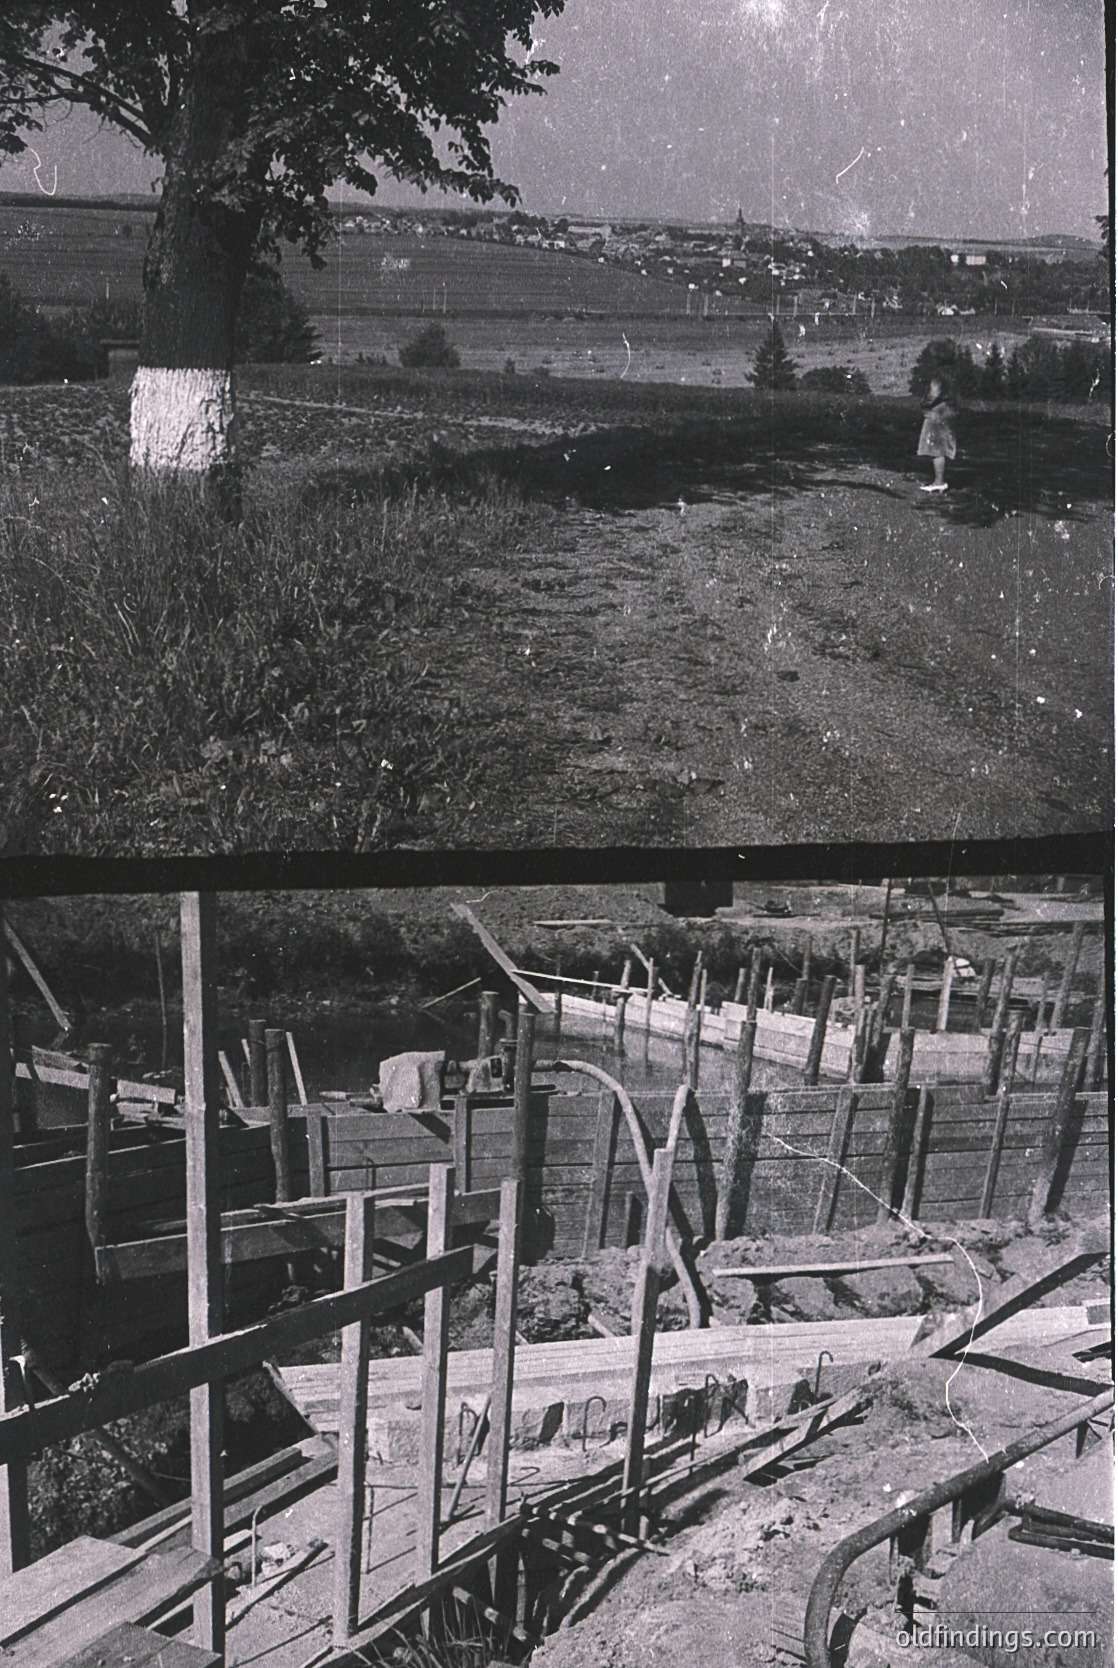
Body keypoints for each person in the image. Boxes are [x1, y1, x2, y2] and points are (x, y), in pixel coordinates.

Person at [917, 373, 957, 491]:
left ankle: (939, 481)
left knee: (936, 447)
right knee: (943, 445)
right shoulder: (953, 370)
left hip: (937, 412)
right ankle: (941, 479)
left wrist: (924, 403)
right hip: (949, 410)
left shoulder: (939, 372)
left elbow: (935, 392)